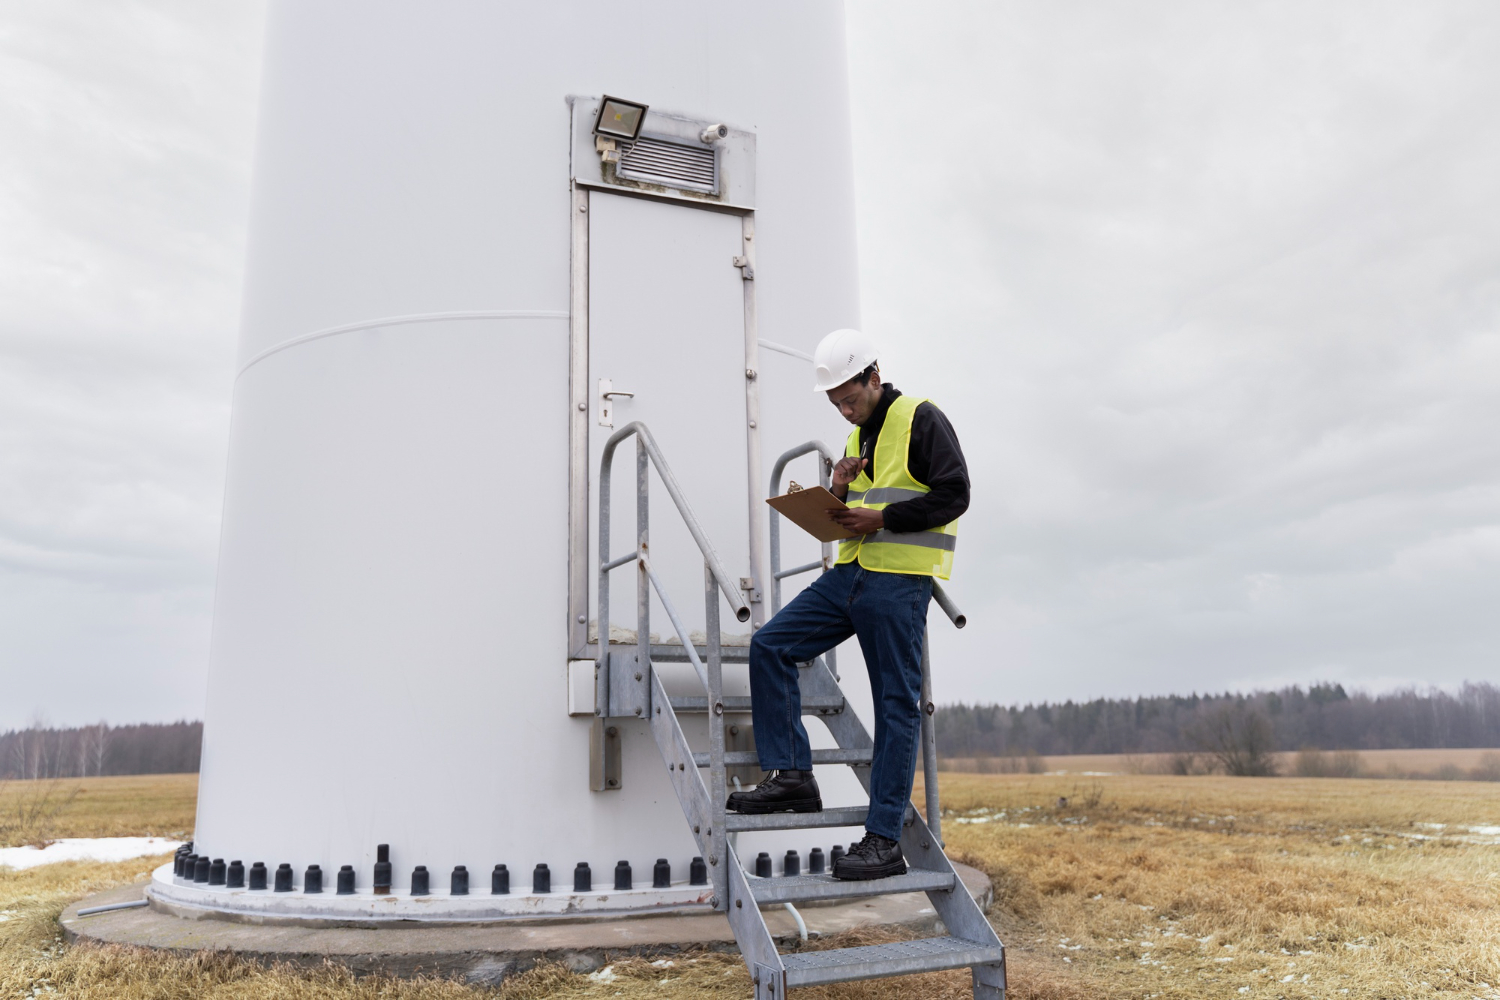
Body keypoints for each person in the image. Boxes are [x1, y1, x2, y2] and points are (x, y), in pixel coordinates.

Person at [726, 328, 969, 880]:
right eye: (834, 402)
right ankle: (792, 775)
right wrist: (835, 489)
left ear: (873, 378)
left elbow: (956, 493)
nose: (843, 409)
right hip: (851, 575)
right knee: (770, 644)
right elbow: (853, 510)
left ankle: (883, 841)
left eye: (849, 398)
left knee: (894, 706)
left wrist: (881, 518)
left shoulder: (920, 417)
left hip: (898, 582)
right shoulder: (860, 438)